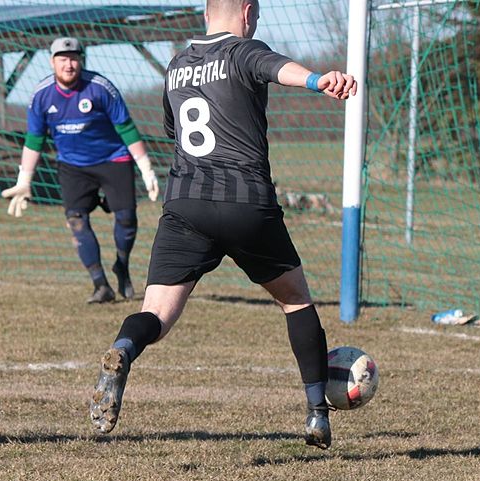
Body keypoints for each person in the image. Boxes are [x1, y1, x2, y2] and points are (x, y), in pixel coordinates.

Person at [88, 0, 357, 449]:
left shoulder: (177, 66)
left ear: (205, 14)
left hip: (185, 205)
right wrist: (318, 80)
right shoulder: (243, 50)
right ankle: (316, 413)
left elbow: (175, 129)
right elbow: (279, 69)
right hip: (245, 203)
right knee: (295, 299)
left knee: (157, 314)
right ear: (248, 12)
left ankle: (124, 350)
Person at [2, 37, 160, 304]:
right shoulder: (41, 95)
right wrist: (24, 180)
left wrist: (146, 169)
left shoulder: (100, 87)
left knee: (126, 219)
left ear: (81, 61)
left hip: (113, 159)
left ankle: (122, 265)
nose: (69, 64)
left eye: (74, 58)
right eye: (63, 59)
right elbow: (34, 140)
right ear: (52, 62)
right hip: (73, 166)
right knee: (76, 221)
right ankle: (101, 285)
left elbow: (126, 128)